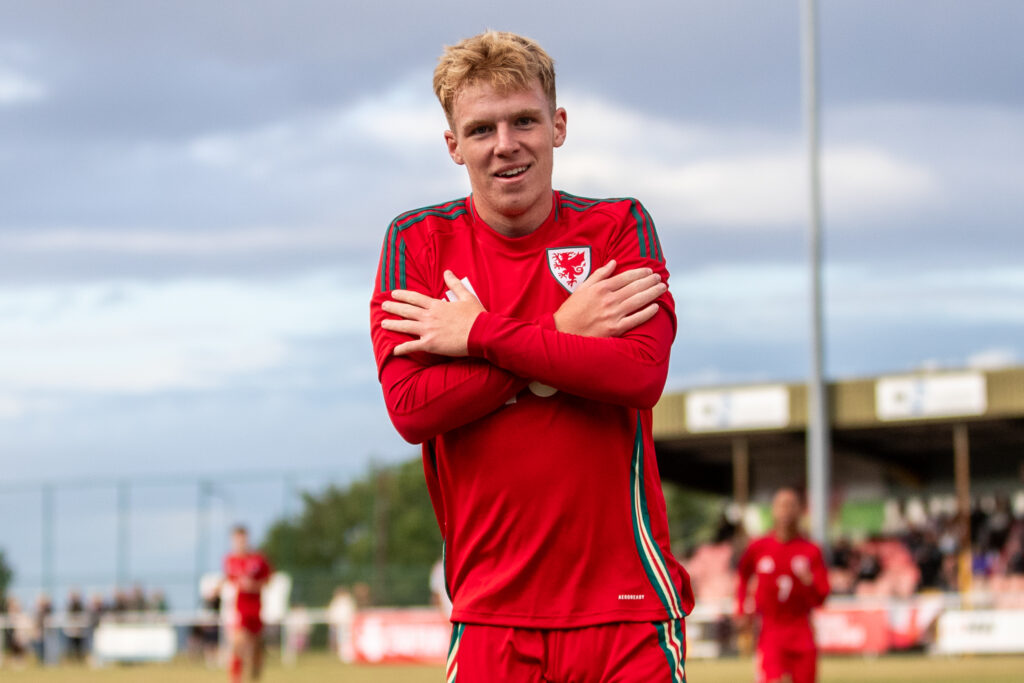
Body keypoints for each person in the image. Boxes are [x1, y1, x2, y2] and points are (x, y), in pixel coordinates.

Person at [370, 30, 693, 682]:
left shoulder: (617, 228)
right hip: (493, 614)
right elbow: (412, 410)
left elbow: (639, 375)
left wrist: (480, 333)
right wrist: (562, 331)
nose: (505, 144)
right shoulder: (419, 243)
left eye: (524, 120)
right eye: (481, 128)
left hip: (627, 609)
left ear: (559, 125)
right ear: (453, 145)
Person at [735, 489, 830, 683]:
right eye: (781, 505)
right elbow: (743, 577)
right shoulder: (759, 547)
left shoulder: (811, 550)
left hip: (801, 630)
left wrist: (808, 582)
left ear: (800, 511)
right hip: (771, 631)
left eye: (791, 505)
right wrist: (742, 609)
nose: (786, 511)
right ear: (773, 511)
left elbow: (822, 596)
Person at [222, 525, 272, 683]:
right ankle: (235, 679)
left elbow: (268, 579)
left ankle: (255, 674)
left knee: (256, 649)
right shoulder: (230, 560)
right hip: (240, 610)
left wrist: (254, 586)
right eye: (236, 540)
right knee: (238, 644)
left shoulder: (258, 559)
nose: (239, 544)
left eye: (242, 540)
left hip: (256, 610)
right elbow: (229, 579)